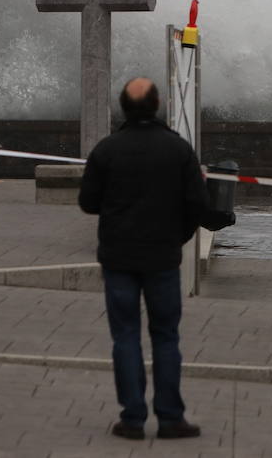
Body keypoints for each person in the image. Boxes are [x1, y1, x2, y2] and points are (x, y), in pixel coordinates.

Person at [79, 77, 208, 441]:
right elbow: (197, 204)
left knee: (125, 336)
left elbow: (88, 203)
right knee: (166, 336)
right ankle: (170, 418)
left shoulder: (106, 150)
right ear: (157, 105)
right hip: (163, 259)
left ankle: (132, 419)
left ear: (123, 107)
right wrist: (176, 237)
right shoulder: (178, 150)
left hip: (119, 258)